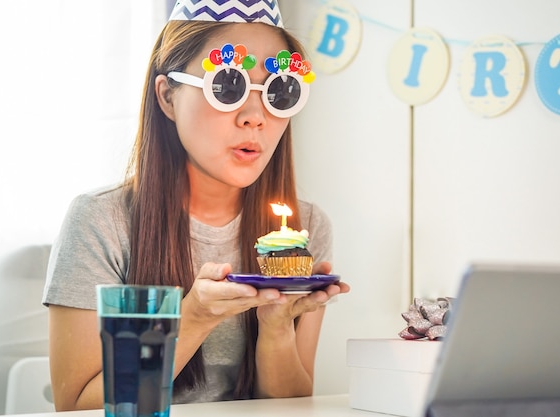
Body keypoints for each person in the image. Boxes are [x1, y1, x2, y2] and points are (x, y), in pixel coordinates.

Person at [42, 0, 350, 411]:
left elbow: (287, 408)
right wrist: (196, 316)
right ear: (168, 97)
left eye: (279, 91)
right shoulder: (100, 221)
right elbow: (78, 407)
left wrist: (277, 325)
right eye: (228, 86)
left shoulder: (306, 227)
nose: (255, 117)